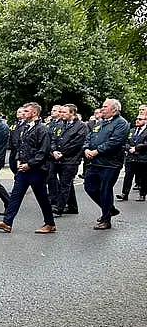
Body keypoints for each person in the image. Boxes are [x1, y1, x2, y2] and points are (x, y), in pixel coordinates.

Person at [0, 102, 56, 234]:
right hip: (23, 169)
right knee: (15, 195)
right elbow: (21, 146)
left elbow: (43, 152)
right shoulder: (25, 127)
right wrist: (19, 159)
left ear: (34, 113)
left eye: (26, 111)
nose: (23, 114)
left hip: (37, 170)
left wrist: (29, 164)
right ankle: (7, 223)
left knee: (42, 198)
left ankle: (50, 223)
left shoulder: (42, 129)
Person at [82, 98, 130, 230]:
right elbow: (89, 136)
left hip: (110, 164)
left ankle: (105, 219)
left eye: (105, 106)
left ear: (114, 109)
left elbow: (115, 142)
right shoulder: (100, 122)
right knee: (89, 187)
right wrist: (86, 149)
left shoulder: (121, 123)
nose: (102, 108)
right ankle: (109, 208)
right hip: (94, 162)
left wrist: (97, 151)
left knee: (105, 190)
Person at [50, 104, 88, 216]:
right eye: (60, 112)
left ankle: (59, 207)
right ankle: (73, 207)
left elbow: (76, 144)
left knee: (65, 183)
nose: (61, 114)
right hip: (57, 158)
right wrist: (54, 151)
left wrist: (62, 153)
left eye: (64, 112)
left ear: (72, 113)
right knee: (65, 183)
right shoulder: (60, 125)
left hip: (71, 160)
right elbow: (53, 139)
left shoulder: (81, 126)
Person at [117, 114, 147, 202]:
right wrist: (128, 148)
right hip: (131, 157)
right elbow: (125, 141)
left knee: (143, 177)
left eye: (140, 119)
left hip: (143, 158)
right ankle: (124, 194)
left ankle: (142, 194)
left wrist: (136, 148)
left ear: (146, 121)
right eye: (137, 119)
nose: (137, 120)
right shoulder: (132, 130)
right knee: (128, 176)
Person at [8, 107, 26, 174]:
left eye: (20, 112)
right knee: (13, 166)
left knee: (19, 171)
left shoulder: (26, 124)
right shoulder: (15, 124)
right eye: (17, 111)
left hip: (20, 150)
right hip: (13, 150)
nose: (17, 113)